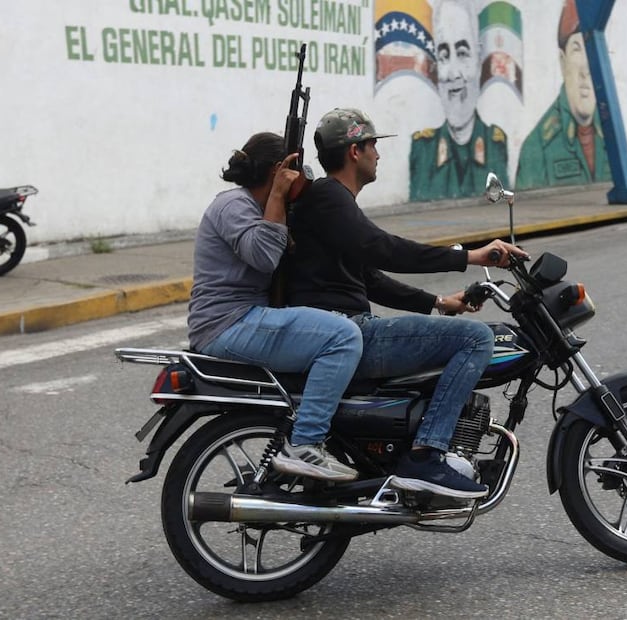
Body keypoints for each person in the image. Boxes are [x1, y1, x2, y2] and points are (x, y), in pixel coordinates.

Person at [287, 108, 527, 499]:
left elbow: (367, 276)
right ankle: (426, 456)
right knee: (476, 340)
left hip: (342, 325)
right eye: (372, 147)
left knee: (451, 340)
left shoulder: (332, 203)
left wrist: (436, 301)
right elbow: (383, 250)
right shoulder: (330, 197)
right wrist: (470, 255)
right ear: (353, 151)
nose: (377, 155)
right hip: (347, 330)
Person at [188, 132, 363, 482]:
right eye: (295, 170)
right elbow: (264, 256)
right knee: (343, 337)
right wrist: (280, 195)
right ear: (278, 171)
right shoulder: (233, 204)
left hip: (240, 320)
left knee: (333, 326)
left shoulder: (264, 207)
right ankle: (305, 443)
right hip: (227, 324)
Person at [409, 0, 509, 201]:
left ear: (479, 62)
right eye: (444, 56)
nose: (454, 73)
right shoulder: (423, 151)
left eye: (463, 53)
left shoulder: (495, 146)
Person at [515, 0, 610, 190]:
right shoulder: (538, 146)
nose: (586, 68)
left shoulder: (610, 134)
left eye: (591, 49)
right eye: (577, 49)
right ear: (562, 61)